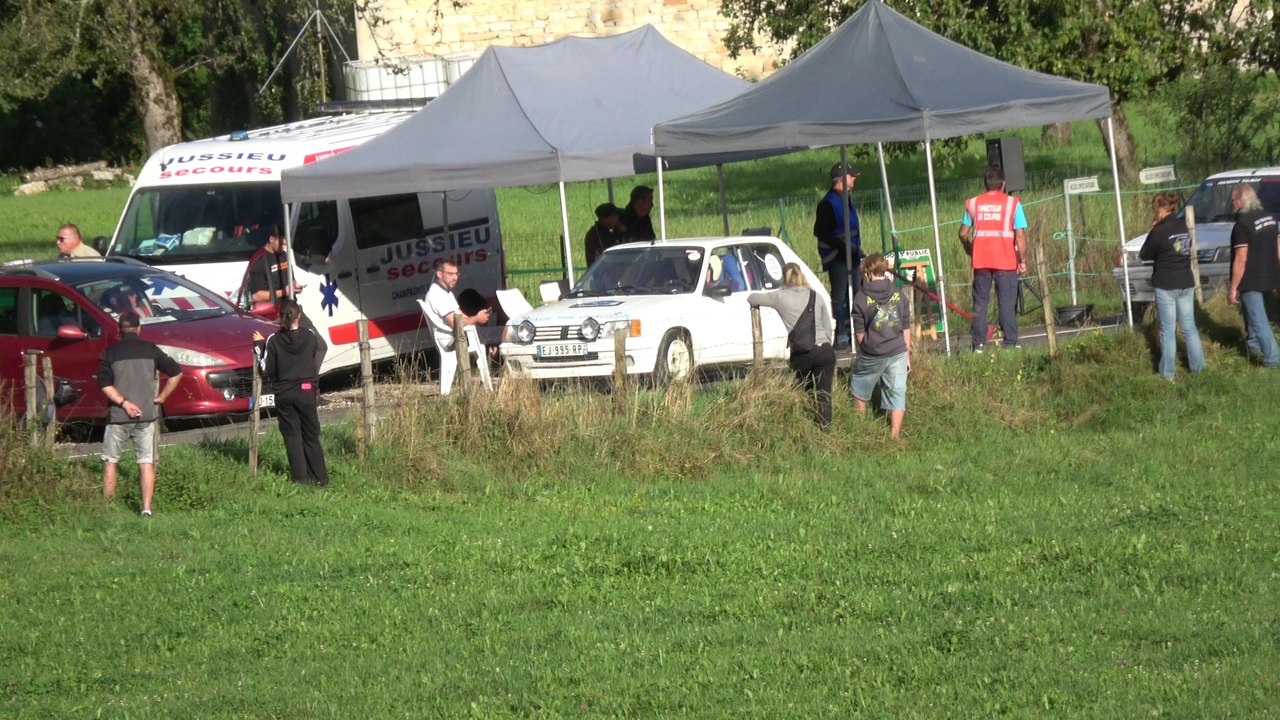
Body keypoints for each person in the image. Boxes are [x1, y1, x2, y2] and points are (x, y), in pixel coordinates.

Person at [97, 311, 183, 516]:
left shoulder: (110, 352)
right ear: (139, 328)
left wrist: (124, 403)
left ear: (119, 330)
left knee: (111, 460)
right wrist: (162, 397)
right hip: (146, 415)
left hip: (118, 417)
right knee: (145, 462)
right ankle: (146, 509)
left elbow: (104, 384)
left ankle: (107, 508)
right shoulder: (150, 349)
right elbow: (176, 373)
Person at [748, 262, 836, 428]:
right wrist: (825, 344)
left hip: (803, 353)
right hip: (824, 350)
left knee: (803, 391)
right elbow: (827, 324)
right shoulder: (815, 295)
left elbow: (752, 298)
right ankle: (826, 430)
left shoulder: (780, 296)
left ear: (784, 277)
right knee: (824, 394)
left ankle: (805, 425)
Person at [253, 300, 329, 486]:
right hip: (305, 391)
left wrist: (259, 345)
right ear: (299, 316)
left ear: (280, 316)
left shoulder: (273, 340)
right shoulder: (309, 336)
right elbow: (314, 353)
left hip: (285, 393)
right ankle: (320, 478)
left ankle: (300, 479)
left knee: (292, 437)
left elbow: (266, 368)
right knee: (311, 435)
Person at [958, 166, 1028, 351]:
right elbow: (1019, 235)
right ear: (1003, 184)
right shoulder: (1013, 204)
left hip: (981, 261)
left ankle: (979, 343)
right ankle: (1011, 342)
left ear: (985, 184)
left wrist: (970, 249)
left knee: (980, 302)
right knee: (1006, 301)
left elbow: (963, 233)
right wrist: (1023, 260)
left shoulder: (974, 203)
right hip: (1006, 261)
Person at [1139, 191, 1206, 380]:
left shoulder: (1159, 231)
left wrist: (1152, 230)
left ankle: (1167, 374)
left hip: (1166, 284)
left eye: (1155, 209)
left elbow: (1145, 254)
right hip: (1186, 281)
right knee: (1189, 327)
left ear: (1160, 209)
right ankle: (1199, 369)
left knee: (1168, 330)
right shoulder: (1183, 226)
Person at [850, 254, 912, 437]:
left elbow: (859, 332)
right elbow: (906, 326)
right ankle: (894, 435)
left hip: (873, 352)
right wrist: (906, 354)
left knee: (860, 385)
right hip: (898, 350)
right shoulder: (898, 292)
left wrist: (868, 346)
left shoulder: (861, 297)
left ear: (868, 273)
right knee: (898, 391)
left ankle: (861, 427)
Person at [423, 260, 502, 396]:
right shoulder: (438, 296)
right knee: (510, 332)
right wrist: (476, 319)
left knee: (501, 332)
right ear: (439, 274)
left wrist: (476, 320)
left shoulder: (445, 292)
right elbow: (455, 323)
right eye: (450, 274)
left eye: (457, 274)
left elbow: (460, 315)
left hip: (462, 333)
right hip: (455, 338)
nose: (455, 277)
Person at [1228, 182, 1280, 367]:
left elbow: (1241, 258)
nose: (1232, 203)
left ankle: (1273, 359)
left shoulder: (1242, 225)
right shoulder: (1270, 218)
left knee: (1258, 320)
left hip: (1250, 278)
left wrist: (1233, 287)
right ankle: (1254, 349)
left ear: (1240, 202)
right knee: (1251, 315)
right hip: (1270, 276)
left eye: (1233, 200)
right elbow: (1278, 247)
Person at [813, 163, 862, 350]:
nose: (855, 178)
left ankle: (856, 333)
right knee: (841, 297)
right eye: (852, 176)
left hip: (852, 256)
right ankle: (842, 336)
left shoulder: (847, 200)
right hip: (837, 258)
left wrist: (857, 249)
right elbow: (820, 231)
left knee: (856, 295)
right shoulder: (828, 203)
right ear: (842, 179)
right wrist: (842, 247)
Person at [246, 224, 303, 304]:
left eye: (285, 244)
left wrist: (295, 286)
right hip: (273, 310)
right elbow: (256, 295)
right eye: (281, 244)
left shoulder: (284, 255)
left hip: (291, 306)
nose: (284, 247)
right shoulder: (259, 260)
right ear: (271, 239)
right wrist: (283, 292)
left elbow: (290, 278)